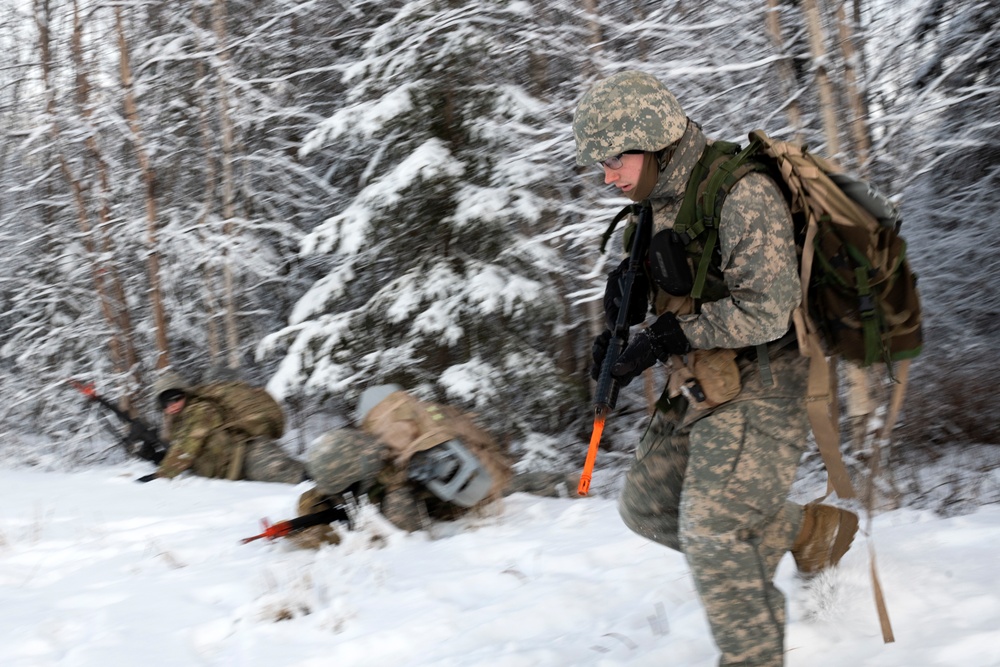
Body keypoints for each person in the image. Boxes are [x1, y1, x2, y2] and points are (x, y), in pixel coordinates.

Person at [574, 70, 856, 667]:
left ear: (651, 142)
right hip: (704, 376)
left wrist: (667, 337)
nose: (608, 176)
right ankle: (807, 533)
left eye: (614, 161)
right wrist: (617, 343)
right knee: (647, 508)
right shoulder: (649, 207)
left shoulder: (739, 192)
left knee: (712, 531)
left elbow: (769, 311)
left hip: (769, 373)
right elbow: (661, 296)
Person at [293, 384, 575, 543]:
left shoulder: (394, 483)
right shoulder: (358, 452)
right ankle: (571, 482)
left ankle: (572, 485)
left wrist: (394, 491)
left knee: (511, 488)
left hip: (455, 491)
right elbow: (317, 496)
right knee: (514, 484)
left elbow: (405, 534)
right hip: (441, 476)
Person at [139, 370, 305, 484]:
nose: (172, 405)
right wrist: (159, 458)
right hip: (235, 467)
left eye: (176, 398)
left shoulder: (200, 409)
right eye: (166, 403)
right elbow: (192, 451)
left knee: (299, 479)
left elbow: (189, 445)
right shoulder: (178, 423)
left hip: (249, 454)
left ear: (185, 394)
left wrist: (162, 474)